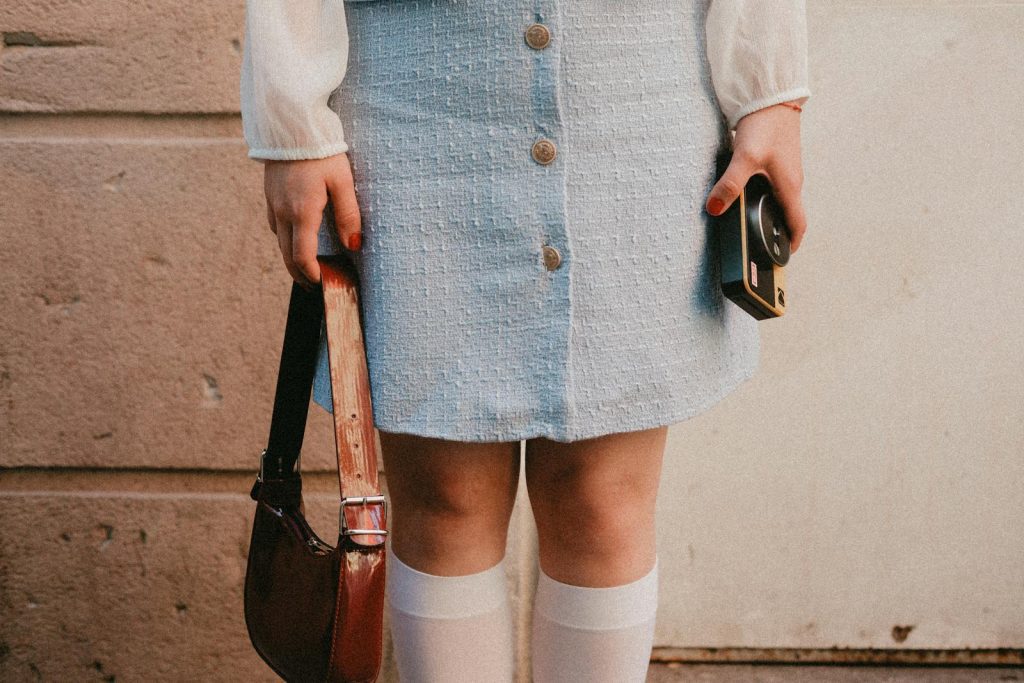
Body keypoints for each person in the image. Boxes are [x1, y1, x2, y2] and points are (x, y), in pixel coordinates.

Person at [240, 0, 810, 680]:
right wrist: (294, 118)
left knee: (603, 500)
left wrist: (769, 92)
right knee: (445, 502)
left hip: (631, 91)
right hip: (415, 94)